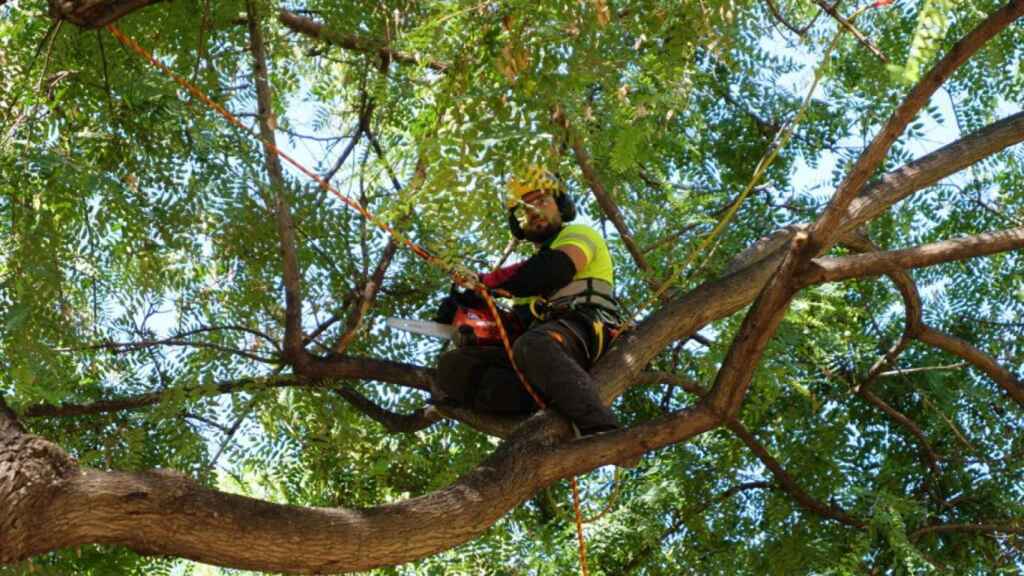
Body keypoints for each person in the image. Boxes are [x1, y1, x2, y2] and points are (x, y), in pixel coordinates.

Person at [432, 166, 622, 436]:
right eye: (524, 208)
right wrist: (471, 309)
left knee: (533, 344)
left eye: (542, 201)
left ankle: (602, 429)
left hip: (584, 329)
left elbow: (553, 270)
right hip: (540, 354)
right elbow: (513, 328)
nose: (533, 210)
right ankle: (536, 417)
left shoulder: (578, 235)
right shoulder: (525, 282)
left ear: (560, 206)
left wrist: (487, 283)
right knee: (454, 366)